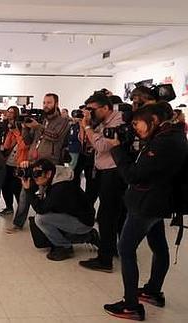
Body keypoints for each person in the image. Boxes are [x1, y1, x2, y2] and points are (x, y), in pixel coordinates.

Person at [103, 102, 188, 321]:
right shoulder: (171, 135)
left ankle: (131, 305)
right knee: (158, 246)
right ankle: (152, 291)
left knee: (126, 248)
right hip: (157, 201)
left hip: (148, 203)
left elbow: (133, 175)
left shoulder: (165, 142)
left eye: (137, 123)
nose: (135, 128)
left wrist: (116, 148)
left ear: (154, 120)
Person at [78, 92, 127, 273]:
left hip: (114, 172)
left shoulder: (118, 121)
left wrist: (89, 128)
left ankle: (105, 260)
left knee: (107, 216)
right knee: (113, 214)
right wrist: (86, 127)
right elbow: (87, 144)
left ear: (105, 108)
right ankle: (113, 250)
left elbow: (101, 146)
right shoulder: (101, 123)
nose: (89, 113)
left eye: (92, 109)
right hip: (105, 171)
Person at [7, 93, 70, 233]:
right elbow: (28, 141)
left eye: (49, 102)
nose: (45, 105)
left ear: (56, 104)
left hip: (51, 164)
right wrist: (25, 127)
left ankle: (45, 225)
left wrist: (38, 126)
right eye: (44, 102)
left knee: (46, 196)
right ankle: (18, 223)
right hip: (33, 162)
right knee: (25, 191)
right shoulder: (41, 120)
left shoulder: (63, 121)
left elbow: (56, 137)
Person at [20, 159, 97, 261]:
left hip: (83, 222)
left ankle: (65, 247)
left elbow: (41, 209)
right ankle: (87, 236)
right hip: (75, 216)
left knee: (40, 219)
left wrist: (28, 190)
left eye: (37, 174)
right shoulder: (57, 176)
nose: (35, 177)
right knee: (44, 220)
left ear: (49, 173)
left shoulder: (60, 187)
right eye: (33, 174)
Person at [0, 106, 27, 217]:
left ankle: (20, 211)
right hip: (8, 163)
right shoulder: (11, 132)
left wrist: (16, 132)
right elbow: (6, 145)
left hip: (19, 164)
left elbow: (24, 146)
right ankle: (9, 207)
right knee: (5, 185)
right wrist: (11, 132)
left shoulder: (22, 134)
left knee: (16, 188)